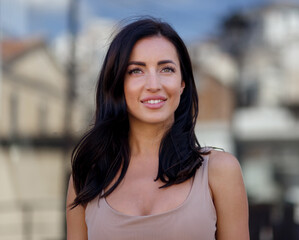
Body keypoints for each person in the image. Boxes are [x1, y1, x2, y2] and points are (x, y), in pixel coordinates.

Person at [66, 17, 249, 240]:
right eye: (136, 71)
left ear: (182, 83)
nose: (154, 85)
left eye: (166, 69)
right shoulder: (87, 175)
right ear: (117, 83)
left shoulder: (220, 171)